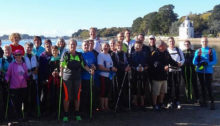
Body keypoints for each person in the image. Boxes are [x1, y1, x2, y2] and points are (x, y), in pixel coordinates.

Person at [60, 38, 91, 122]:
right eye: (71, 44)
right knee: (67, 97)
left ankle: (77, 113)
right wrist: (61, 73)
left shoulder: (79, 55)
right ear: (69, 45)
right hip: (67, 79)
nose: (72, 46)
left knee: (77, 96)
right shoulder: (65, 54)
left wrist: (89, 70)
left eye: (74, 44)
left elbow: (84, 65)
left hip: (77, 78)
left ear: (76, 46)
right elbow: (62, 65)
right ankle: (66, 113)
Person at [150, 40, 181, 111]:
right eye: (164, 44)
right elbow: (155, 63)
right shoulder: (154, 53)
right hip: (156, 76)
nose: (166, 45)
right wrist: (163, 67)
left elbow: (171, 60)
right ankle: (154, 105)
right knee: (155, 92)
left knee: (163, 91)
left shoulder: (166, 52)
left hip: (164, 76)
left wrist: (177, 64)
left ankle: (161, 104)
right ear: (160, 46)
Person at [193, 37, 217, 110]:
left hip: (208, 71)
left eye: (206, 41)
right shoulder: (198, 51)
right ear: (201, 42)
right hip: (200, 71)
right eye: (203, 41)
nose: (204, 43)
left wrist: (207, 63)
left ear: (207, 42)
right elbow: (194, 62)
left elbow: (215, 61)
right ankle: (204, 101)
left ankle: (212, 102)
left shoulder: (212, 50)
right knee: (202, 86)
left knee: (209, 87)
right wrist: (200, 63)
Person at [5, 50, 28, 120]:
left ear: (21, 55)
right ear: (14, 56)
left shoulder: (24, 64)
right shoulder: (12, 65)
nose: (18, 56)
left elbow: (26, 74)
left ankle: (23, 116)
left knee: (23, 102)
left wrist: (29, 77)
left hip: (23, 86)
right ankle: (18, 117)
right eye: (16, 55)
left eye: (19, 55)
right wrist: (6, 80)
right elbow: (8, 74)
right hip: (14, 87)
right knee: (16, 103)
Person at [97, 42, 117, 111]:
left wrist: (113, 68)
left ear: (109, 47)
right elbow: (100, 67)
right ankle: (102, 106)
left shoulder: (108, 55)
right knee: (103, 92)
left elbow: (110, 65)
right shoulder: (100, 55)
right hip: (103, 76)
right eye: (104, 46)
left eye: (107, 46)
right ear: (102, 47)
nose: (106, 47)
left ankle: (106, 106)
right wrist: (110, 69)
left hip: (109, 76)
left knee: (107, 91)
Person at [111, 41, 130, 111]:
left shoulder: (125, 54)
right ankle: (117, 104)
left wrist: (128, 67)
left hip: (125, 73)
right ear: (116, 46)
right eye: (118, 46)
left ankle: (123, 104)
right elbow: (114, 64)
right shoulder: (113, 54)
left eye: (121, 46)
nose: (120, 47)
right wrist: (123, 68)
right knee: (117, 89)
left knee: (124, 88)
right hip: (117, 74)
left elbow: (128, 62)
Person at [167, 37, 185, 109]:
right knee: (169, 87)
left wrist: (181, 63)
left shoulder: (178, 50)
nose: (171, 43)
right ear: (168, 43)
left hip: (178, 70)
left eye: (172, 41)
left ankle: (177, 101)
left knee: (177, 86)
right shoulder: (166, 50)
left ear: (174, 42)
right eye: (170, 41)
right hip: (170, 71)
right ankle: (170, 101)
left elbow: (183, 59)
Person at [130, 41, 149, 108]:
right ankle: (135, 102)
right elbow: (130, 64)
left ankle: (142, 102)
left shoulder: (145, 54)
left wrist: (144, 68)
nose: (138, 47)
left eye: (139, 46)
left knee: (143, 87)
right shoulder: (132, 54)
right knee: (134, 87)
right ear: (134, 46)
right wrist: (136, 68)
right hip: (134, 72)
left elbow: (148, 63)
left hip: (143, 72)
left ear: (142, 46)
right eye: (136, 46)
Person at [80, 40, 96, 117]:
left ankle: (91, 110)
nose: (86, 46)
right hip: (84, 78)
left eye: (87, 45)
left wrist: (94, 67)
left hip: (91, 77)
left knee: (91, 93)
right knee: (84, 94)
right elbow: (82, 65)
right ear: (82, 47)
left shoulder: (92, 54)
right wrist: (89, 70)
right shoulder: (80, 55)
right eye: (84, 45)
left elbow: (94, 64)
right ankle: (83, 110)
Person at [24, 42, 38, 117]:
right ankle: (26, 112)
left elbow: (37, 66)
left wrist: (36, 70)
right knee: (26, 96)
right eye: (27, 47)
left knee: (33, 95)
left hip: (33, 78)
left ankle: (33, 111)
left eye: (30, 47)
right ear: (25, 47)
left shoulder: (34, 56)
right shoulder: (23, 57)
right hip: (26, 79)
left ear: (32, 48)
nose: (29, 49)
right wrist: (29, 71)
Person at [38, 39, 52, 115]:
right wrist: (43, 79)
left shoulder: (53, 55)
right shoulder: (42, 56)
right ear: (44, 46)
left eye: (49, 45)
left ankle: (50, 110)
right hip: (44, 78)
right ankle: (42, 111)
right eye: (46, 46)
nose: (48, 47)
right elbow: (40, 69)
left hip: (52, 78)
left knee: (51, 94)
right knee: (43, 95)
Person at [0, 45, 14, 120]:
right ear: (3, 51)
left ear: (11, 51)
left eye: (8, 50)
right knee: (5, 98)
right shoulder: (1, 60)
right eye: (5, 50)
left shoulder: (14, 59)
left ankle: (12, 114)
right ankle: (4, 115)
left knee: (13, 98)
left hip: (14, 82)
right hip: (4, 82)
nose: (7, 51)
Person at [47, 45, 60, 117]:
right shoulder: (49, 60)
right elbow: (47, 70)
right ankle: (51, 110)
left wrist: (58, 73)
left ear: (58, 51)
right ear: (51, 51)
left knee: (58, 95)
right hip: (51, 80)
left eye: (56, 50)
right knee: (51, 95)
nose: (54, 52)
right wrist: (51, 73)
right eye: (53, 51)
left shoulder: (60, 59)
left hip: (58, 80)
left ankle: (57, 110)